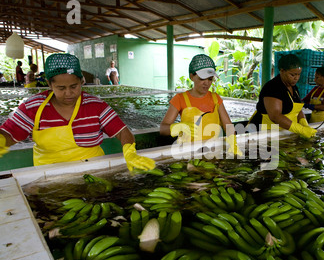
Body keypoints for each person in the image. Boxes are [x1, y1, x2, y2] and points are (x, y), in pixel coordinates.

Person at [0, 53, 155, 172]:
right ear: (49, 85)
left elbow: (122, 132)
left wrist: (130, 152)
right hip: (48, 176)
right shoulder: (32, 107)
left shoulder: (95, 105)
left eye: (74, 86)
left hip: (95, 171)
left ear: (82, 82)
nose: (69, 93)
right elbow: (10, 133)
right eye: (61, 88)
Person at [159, 54, 241, 155]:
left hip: (212, 151)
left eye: (210, 79)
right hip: (188, 152)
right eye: (202, 78)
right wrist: (178, 127)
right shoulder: (180, 99)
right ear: (191, 76)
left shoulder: (216, 99)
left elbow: (228, 126)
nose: (206, 83)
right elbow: (163, 129)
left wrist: (233, 143)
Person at [247, 54, 317, 139]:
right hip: (264, 133)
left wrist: (304, 123)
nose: (296, 78)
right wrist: (301, 129)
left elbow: (297, 110)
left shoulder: (293, 87)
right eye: (292, 75)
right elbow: (275, 116)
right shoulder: (273, 87)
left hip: (283, 133)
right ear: (282, 70)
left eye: (298, 74)